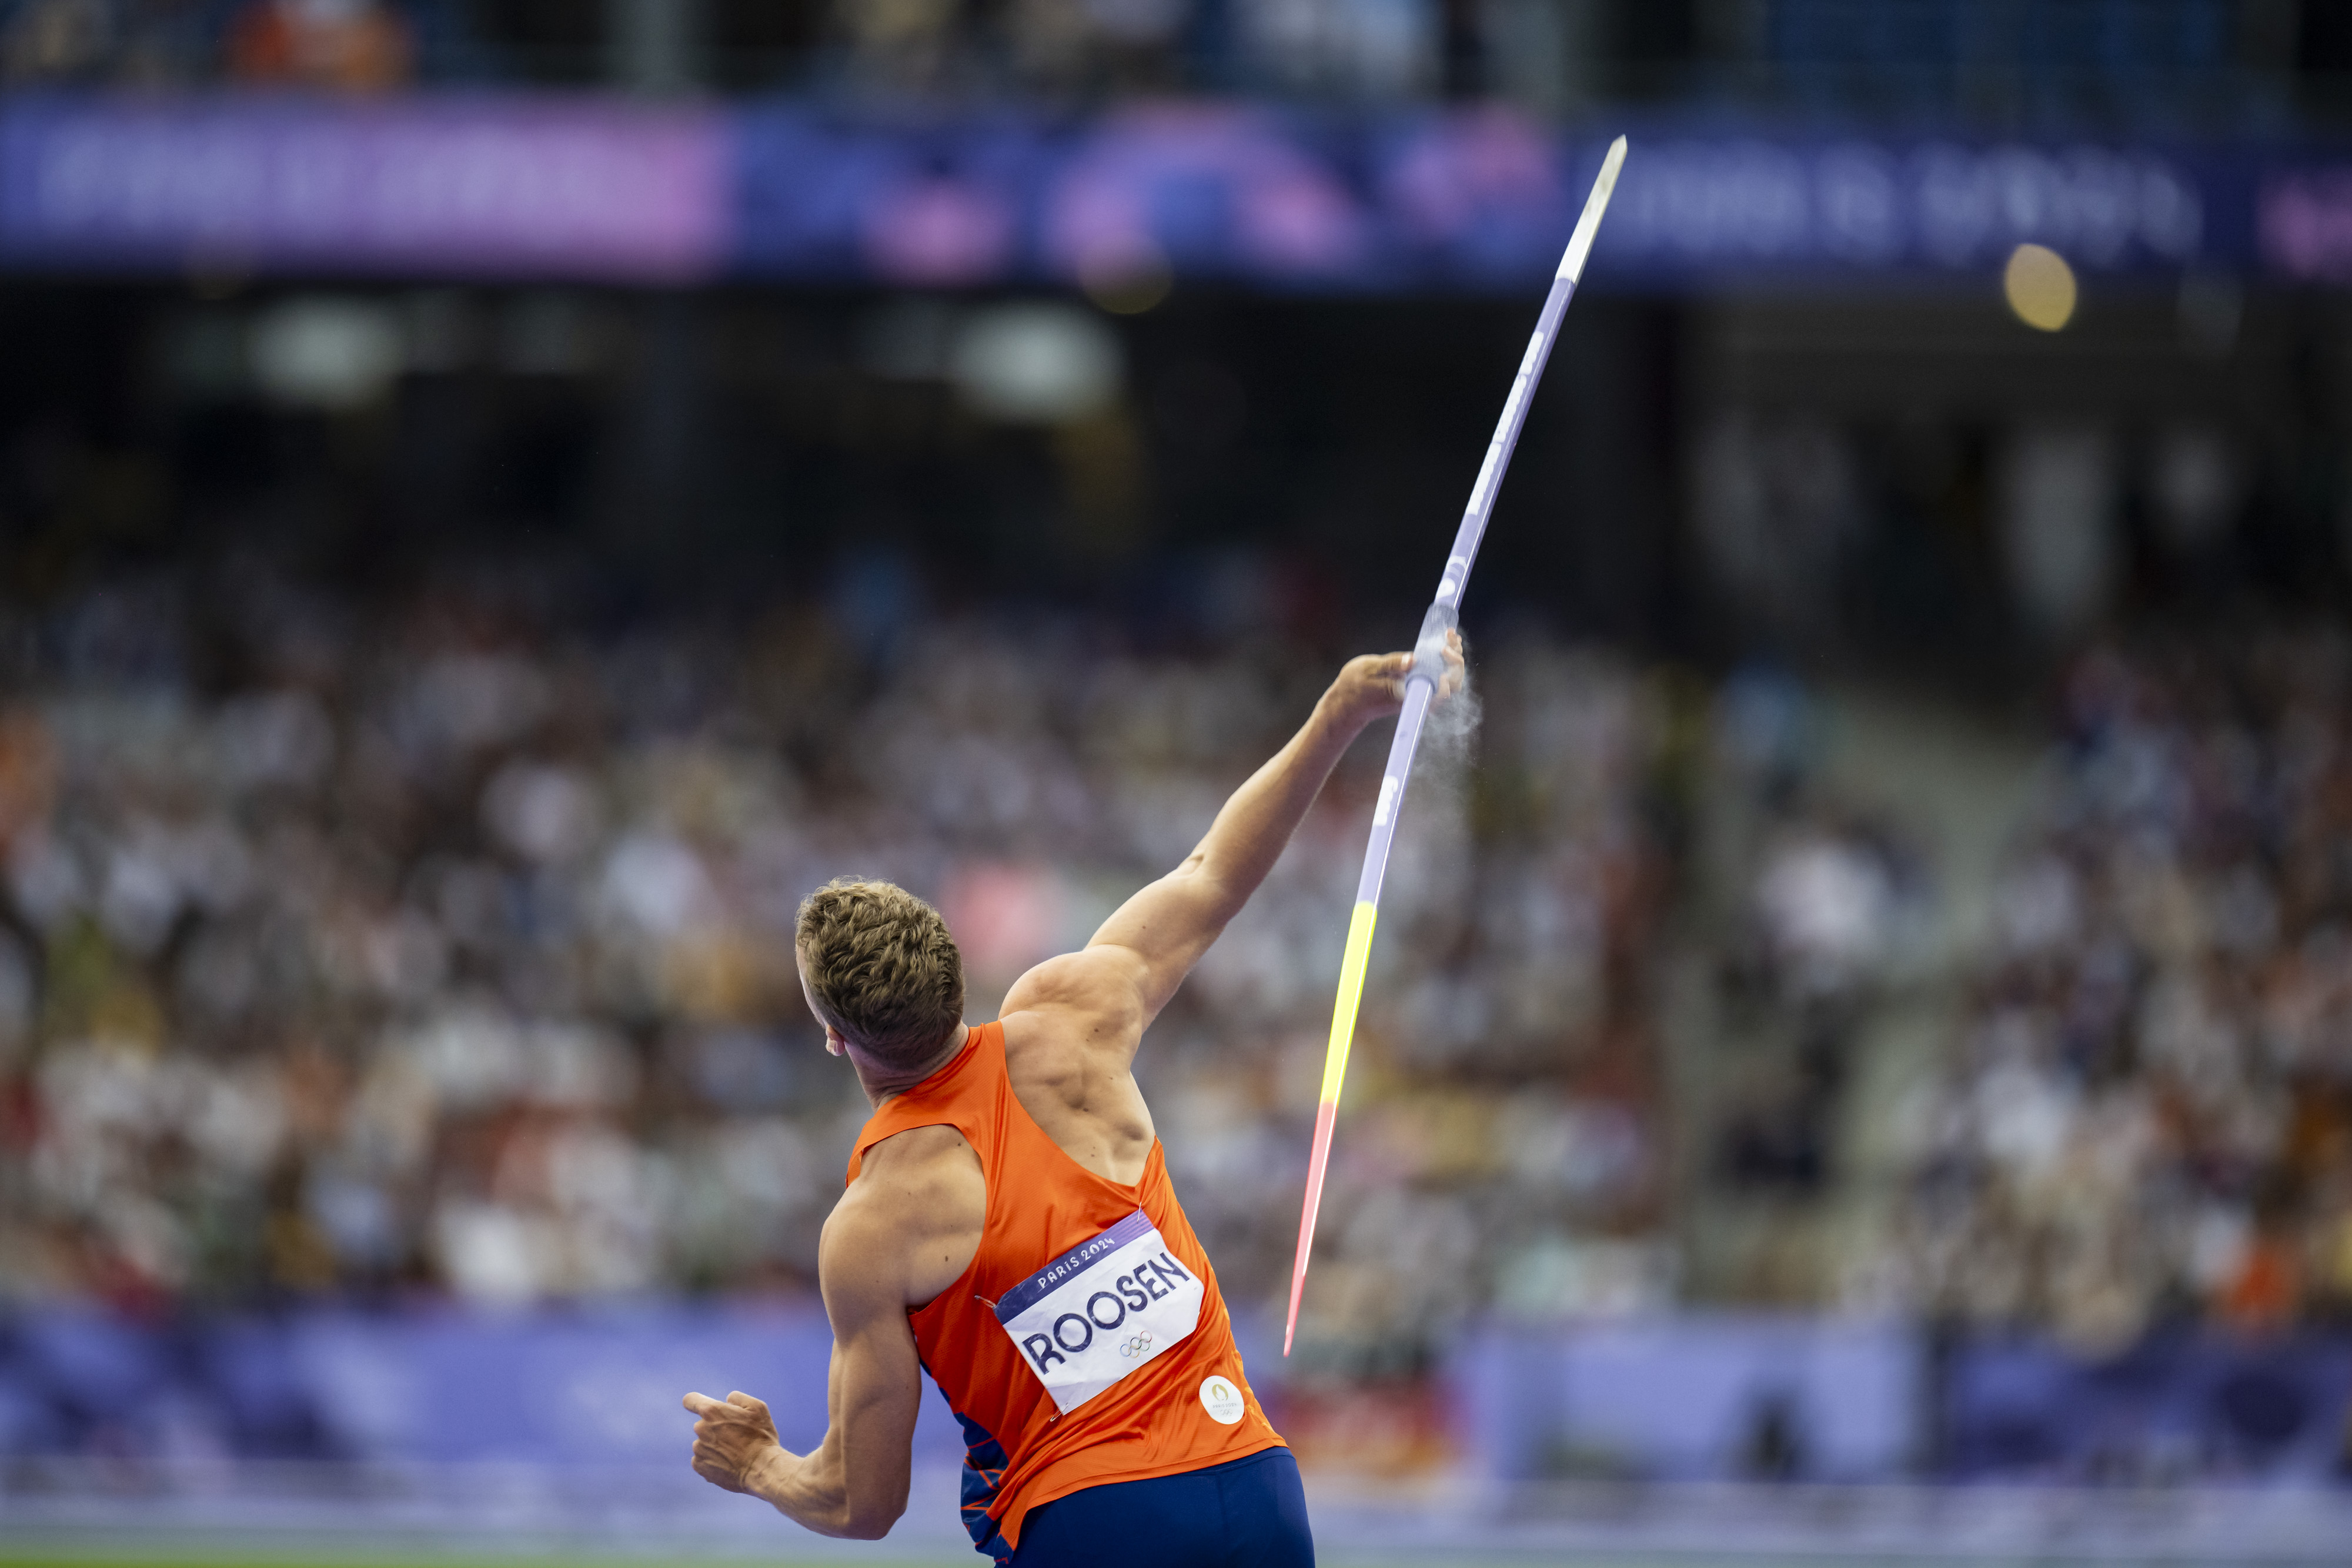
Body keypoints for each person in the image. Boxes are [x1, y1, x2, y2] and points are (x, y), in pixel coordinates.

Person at [681, 633, 1463, 1567]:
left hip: (1093, 1525)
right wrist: (1341, 712)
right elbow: (1213, 874)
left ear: (835, 1038)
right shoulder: (1071, 1022)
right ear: (956, 980)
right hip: (1256, 1488)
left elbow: (864, 1499)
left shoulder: (874, 1224)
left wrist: (760, 1463)